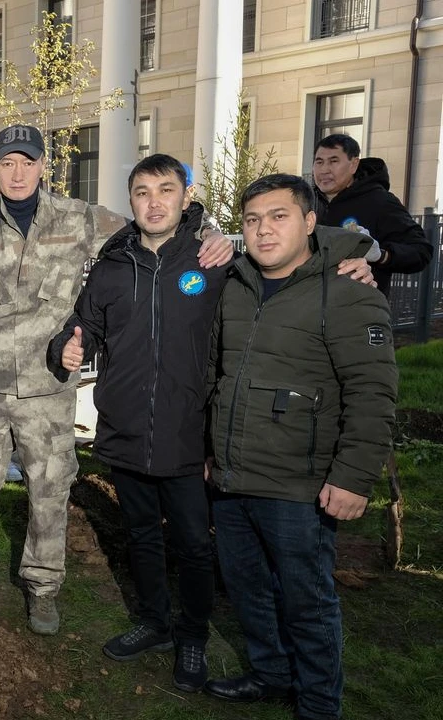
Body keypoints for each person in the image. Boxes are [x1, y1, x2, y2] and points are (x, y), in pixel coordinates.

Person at [48, 155, 374, 693]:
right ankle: (153, 622)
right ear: (131, 200)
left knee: (197, 546)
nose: (154, 202)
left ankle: (193, 634)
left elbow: (297, 257)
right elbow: (83, 325)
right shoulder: (111, 265)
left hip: (190, 436)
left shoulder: (217, 259)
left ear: (184, 197)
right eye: (143, 192)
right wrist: (67, 344)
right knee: (141, 537)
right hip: (126, 431)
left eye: (166, 190)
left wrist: (365, 255)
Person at [0, 125, 234, 635]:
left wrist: (205, 230)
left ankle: (42, 588)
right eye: (7, 163)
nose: (18, 173)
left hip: (49, 385)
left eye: (27, 162)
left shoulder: (79, 219)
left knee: (49, 491)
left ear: (43, 167)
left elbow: (149, 226)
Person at [204, 174, 397, 720]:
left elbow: (373, 391)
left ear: (310, 221)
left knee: (307, 601)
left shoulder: (347, 288)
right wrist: (209, 451)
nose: (264, 230)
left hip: (301, 485)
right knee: (247, 589)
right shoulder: (237, 284)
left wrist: (355, 477)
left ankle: (318, 703)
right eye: (253, 220)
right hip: (233, 475)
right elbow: (220, 375)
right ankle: (271, 674)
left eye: (279, 216)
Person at [312, 133, 432, 299]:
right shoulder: (306, 201)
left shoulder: (380, 202)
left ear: (354, 164)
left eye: (333, 161)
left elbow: (421, 252)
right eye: (319, 162)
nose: (324, 170)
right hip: (307, 311)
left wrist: (381, 255)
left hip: (358, 312)